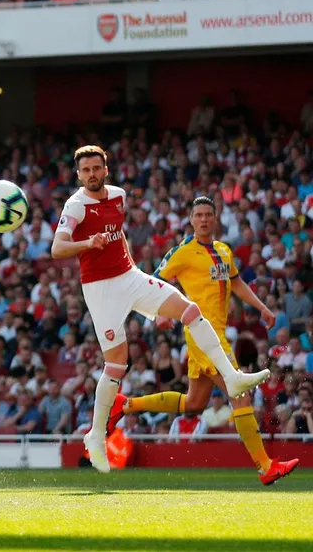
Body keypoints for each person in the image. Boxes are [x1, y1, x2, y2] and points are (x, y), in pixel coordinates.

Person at [50, 145, 270, 473]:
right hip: (100, 289)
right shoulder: (76, 205)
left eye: (97, 168)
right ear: (79, 174)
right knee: (116, 364)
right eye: (86, 170)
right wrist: (87, 243)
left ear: (105, 169)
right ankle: (95, 435)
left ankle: (233, 377)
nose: (92, 174)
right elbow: (57, 248)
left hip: (129, 277)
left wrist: (134, 273)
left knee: (190, 311)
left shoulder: (119, 196)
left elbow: (119, 234)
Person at [107, 197, 298, 485]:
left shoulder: (223, 250)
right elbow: (153, 281)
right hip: (201, 334)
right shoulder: (182, 252)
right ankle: (265, 466)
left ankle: (125, 404)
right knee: (239, 394)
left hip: (217, 334)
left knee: (195, 404)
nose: (204, 219)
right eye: (199, 215)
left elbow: (236, 283)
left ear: (216, 218)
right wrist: (157, 314)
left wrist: (262, 308)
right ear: (191, 219)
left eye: (209, 214)